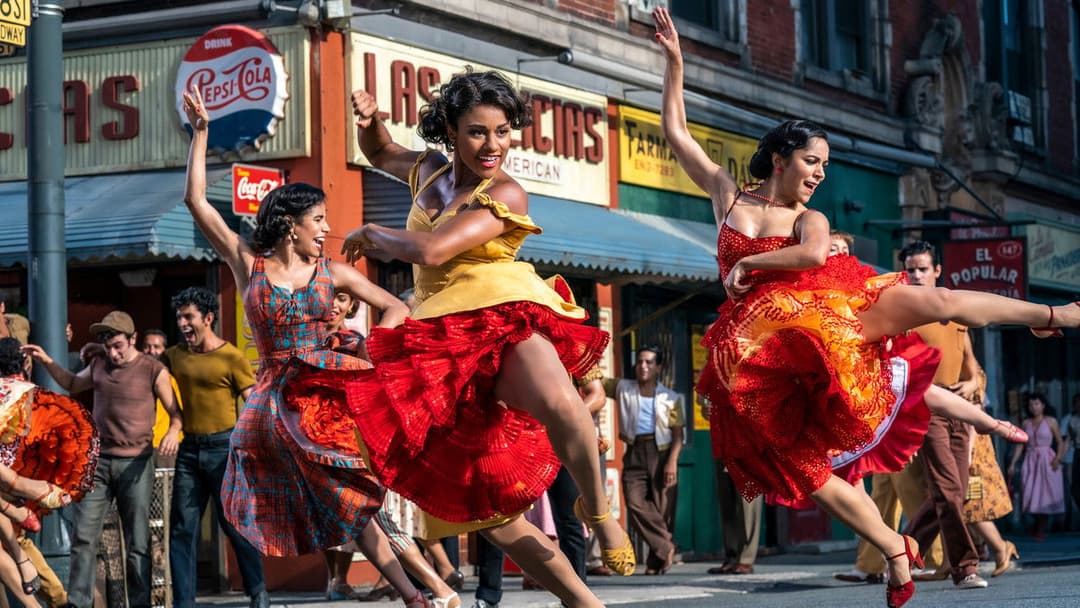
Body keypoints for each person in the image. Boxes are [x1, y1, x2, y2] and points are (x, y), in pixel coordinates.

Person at [652, 7, 1079, 607]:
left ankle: (1055, 316)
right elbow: (677, 133)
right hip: (762, 353)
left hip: (831, 311)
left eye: (825, 166)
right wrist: (675, 63)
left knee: (939, 300)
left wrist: (751, 264)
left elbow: (810, 257)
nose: (820, 174)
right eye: (811, 162)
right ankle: (894, 547)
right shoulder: (727, 195)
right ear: (780, 158)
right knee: (805, 472)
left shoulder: (811, 218)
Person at [338, 68, 631, 608]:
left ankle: (599, 515)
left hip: (499, 315)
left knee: (565, 405)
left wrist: (371, 233)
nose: (493, 145)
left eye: (502, 131)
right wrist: (371, 119)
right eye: (477, 132)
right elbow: (380, 153)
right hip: (438, 342)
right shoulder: (428, 172)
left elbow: (433, 251)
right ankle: (582, 601)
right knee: (490, 513)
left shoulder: (507, 192)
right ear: (450, 129)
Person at [24, 310, 178, 608]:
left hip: (137, 464)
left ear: (133, 339)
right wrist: (46, 360)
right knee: (84, 537)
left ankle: (141, 602)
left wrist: (173, 431)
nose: (113, 352)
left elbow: (176, 414)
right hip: (100, 465)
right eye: (108, 346)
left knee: (138, 543)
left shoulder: (153, 369)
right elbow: (71, 383)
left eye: (118, 344)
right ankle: (78, 602)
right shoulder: (98, 364)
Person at [161, 287, 267, 608]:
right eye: (179, 317)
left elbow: (252, 403)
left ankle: (258, 591)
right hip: (189, 451)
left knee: (233, 526)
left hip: (225, 449)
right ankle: (184, 601)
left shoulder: (231, 356)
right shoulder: (174, 356)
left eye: (188, 316)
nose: (182, 323)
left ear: (208, 318)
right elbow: (147, 371)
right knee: (182, 528)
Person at [611, 345, 683, 575]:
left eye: (649, 363)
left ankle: (656, 562)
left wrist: (671, 462)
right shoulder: (624, 388)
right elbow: (596, 380)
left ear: (658, 367)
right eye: (640, 362)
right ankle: (666, 546)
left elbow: (678, 435)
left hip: (661, 451)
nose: (643, 366)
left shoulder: (671, 398)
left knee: (662, 508)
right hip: (634, 450)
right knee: (634, 502)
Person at [701, 398, 762, 576]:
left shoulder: (755, 373)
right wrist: (706, 408)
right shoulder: (715, 373)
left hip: (748, 443)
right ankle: (731, 556)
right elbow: (703, 401)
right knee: (726, 500)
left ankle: (746, 559)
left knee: (748, 502)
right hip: (723, 441)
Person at [1008, 393, 1066, 541]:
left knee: (1045, 493)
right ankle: (1036, 524)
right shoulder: (1026, 423)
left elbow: (1060, 441)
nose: (1034, 407)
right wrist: (1013, 463)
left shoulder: (1051, 421)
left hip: (1047, 459)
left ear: (1043, 405)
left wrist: (1058, 459)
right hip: (1030, 459)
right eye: (1031, 404)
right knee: (1029, 492)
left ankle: (1041, 528)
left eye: (1037, 404)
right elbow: (1020, 444)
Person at [1064, 394, 1080, 529]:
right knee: (1075, 488)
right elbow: (1068, 440)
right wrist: (1060, 457)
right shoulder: (1072, 420)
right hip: (1078, 453)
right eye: (1077, 403)